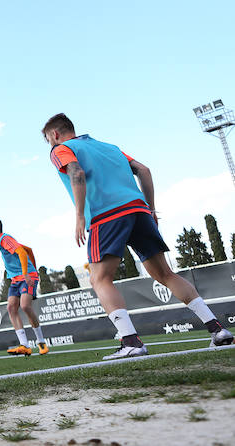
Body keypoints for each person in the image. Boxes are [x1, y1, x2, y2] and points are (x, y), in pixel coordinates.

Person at [43, 113, 233, 359]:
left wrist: (80, 215)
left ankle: (131, 341)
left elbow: (76, 173)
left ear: (55, 134)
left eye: (48, 139)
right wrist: (150, 209)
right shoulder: (107, 146)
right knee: (165, 274)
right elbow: (143, 170)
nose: (50, 143)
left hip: (106, 214)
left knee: (99, 279)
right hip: (138, 210)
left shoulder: (60, 149)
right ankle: (218, 330)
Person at [0, 217, 49, 356]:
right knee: (11, 307)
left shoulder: (4, 239)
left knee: (25, 306)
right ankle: (24, 345)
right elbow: (28, 250)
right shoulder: (1, 242)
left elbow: (22, 252)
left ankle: (41, 341)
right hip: (15, 280)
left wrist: (28, 273)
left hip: (25, 277)